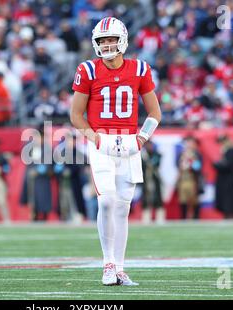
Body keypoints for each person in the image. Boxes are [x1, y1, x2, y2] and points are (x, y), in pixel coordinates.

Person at [70, 17, 162, 286]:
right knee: (106, 201)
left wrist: (142, 138)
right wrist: (93, 137)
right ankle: (107, 264)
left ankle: (120, 268)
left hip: (130, 143)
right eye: (102, 40)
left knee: (122, 208)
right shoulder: (87, 69)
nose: (107, 44)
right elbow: (76, 115)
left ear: (122, 39)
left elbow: (155, 112)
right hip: (101, 142)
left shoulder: (141, 68)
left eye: (111, 39)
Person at [213, 134, 233, 219]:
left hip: (231, 180)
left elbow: (228, 165)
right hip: (225, 180)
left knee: (230, 199)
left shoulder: (232, 151)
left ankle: (231, 214)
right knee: (225, 198)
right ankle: (227, 214)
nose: (222, 144)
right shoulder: (225, 152)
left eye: (223, 142)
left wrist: (217, 165)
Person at [176, 136, 204, 220]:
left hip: (193, 180)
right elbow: (177, 165)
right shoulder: (181, 154)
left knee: (194, 200)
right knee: (183, 199)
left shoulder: (197, 154)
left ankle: (195, 217)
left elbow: (198, 167)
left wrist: (192, 163)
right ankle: (183, 217)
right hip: (183, 179)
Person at [141, 141, 165, 224]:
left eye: (150, 145)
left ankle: (160, 217)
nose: (149, 146)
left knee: (158, 198)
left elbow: (156, 164)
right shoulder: (142, 156)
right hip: (146, 179)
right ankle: (146, 218)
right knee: (146, 198)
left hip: (155, 178)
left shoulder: (157, 155)